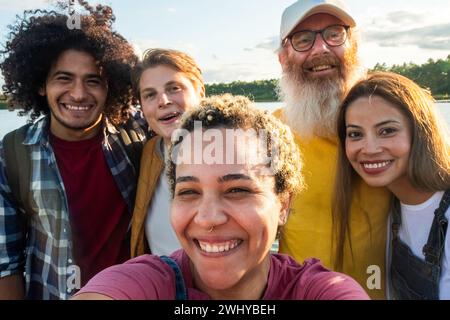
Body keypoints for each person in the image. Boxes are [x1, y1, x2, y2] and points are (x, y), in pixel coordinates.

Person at [73, 94, 369, 300]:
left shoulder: (319, 290)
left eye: (237, 190)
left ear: (283, 203)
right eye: (189, 192)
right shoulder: (148, 283)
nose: (208, 217)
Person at [0, 1, 149, 299]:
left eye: (93, 81)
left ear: (111, 88)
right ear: (41, 85)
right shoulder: (13, 152)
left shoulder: (138, 135)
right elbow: (6, 262)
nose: (79, 93)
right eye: (64, 78)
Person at [275, 0, 390, 298]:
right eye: (303, 39)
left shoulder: (396, 119)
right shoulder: (267, 133)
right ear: (283, 58)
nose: (321, 49)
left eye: (334, 34)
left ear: (353, 46)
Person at [335, 72, 450, 300]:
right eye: (355, 134)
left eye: (387, 131)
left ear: (420, 133)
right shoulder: (389, 208)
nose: (369, 148)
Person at [130, 48, 205, 257]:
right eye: (150, 95)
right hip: (160, 286)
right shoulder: (149, 153)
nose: (163, 101)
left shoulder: (234, 150)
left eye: (174, 88)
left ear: (200, 92)